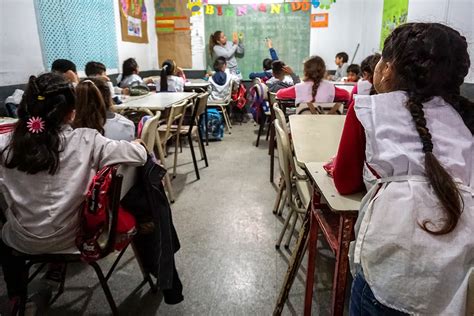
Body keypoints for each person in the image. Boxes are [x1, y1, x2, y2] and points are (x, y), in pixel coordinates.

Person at [333, 23, 473, 315]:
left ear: (386, 69)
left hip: (390, 270)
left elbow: (344, 184)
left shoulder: (366, 110)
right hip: (457, 275)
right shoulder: (465, 117)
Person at [0, 73, 147, 313]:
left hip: (23, 241)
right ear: (71, 112)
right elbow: (139, 157)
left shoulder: (6, 142)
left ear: (25, 109)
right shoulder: (88, 140)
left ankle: (17, 296)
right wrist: (138, 145)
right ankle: (55, 269)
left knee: (5, 238)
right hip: (76, 239)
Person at [276, 56, 350, 113]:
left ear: (305, 71)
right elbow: (346, 95)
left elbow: (279, 94)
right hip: (326, 128)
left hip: (301, 129)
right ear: (323, 70)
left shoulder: (299, 88)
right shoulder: (331, 87)